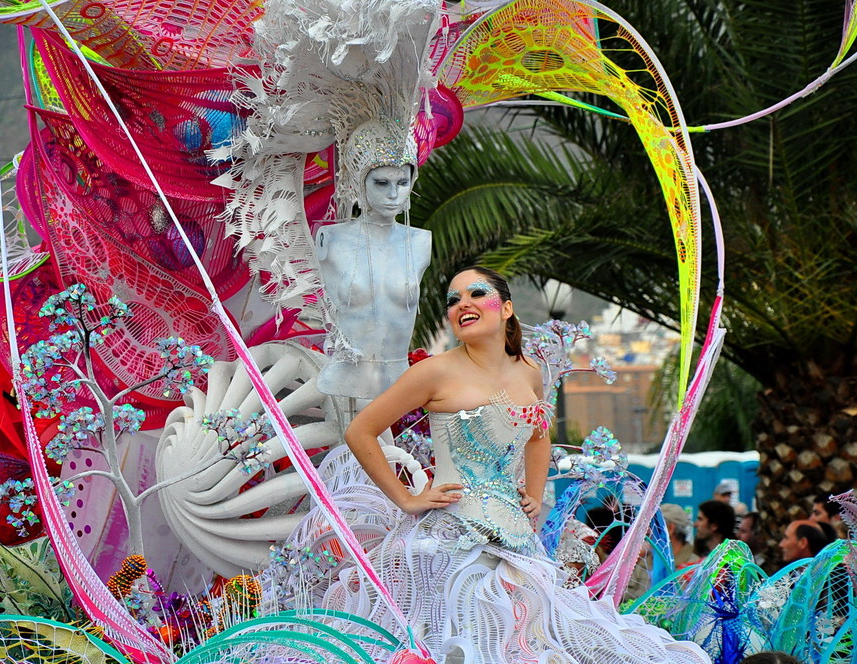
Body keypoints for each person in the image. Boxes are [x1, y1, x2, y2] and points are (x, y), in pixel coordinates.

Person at [283, 267, 712, 663]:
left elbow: (539, 434)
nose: (462, 304)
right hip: (448, 544)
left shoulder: (530, 372)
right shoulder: (433, 372)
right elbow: (361, 431)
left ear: (506, 308)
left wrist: (536, 494)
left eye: (477, 293)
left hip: (518, 543)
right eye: (453, 300)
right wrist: (407, 499)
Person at [316, 118, 433, 401]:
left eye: (402, 183)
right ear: (360, 182)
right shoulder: (331, 239)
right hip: (342, 384)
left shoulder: (420, 241)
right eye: (381, 183)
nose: (393, 195)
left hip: (400, 385)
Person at [660, 503, 700, 569]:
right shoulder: (645, 559)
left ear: (670, 529)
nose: (648, 531)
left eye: (655, 527)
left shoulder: (693, 565)